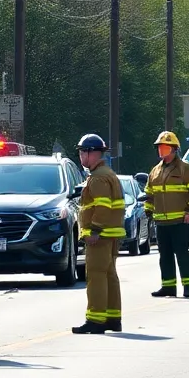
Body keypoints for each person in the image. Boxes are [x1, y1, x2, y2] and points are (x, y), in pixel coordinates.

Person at [72, 133, 126, 335]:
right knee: (109, 275)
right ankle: (112, 318)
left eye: (83, 152)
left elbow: (102, 207)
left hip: (100, 236)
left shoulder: (98, 177)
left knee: (96, 275)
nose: (81, 156)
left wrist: (94, 229)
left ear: (93, 153)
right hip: (110, 234)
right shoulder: (106, 173)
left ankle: (95, 319)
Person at [145, 131, 189, 298]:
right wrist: (148, 210)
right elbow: (150, 193)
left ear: (174, 149)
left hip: (179, 221)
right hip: (161, 222)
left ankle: (188, 285)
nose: (161, 150)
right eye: (159, 147)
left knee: (182, 254)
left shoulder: (185, 169)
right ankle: (168, 286)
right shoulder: (155, 171)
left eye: (165, 147)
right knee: (165, 256)